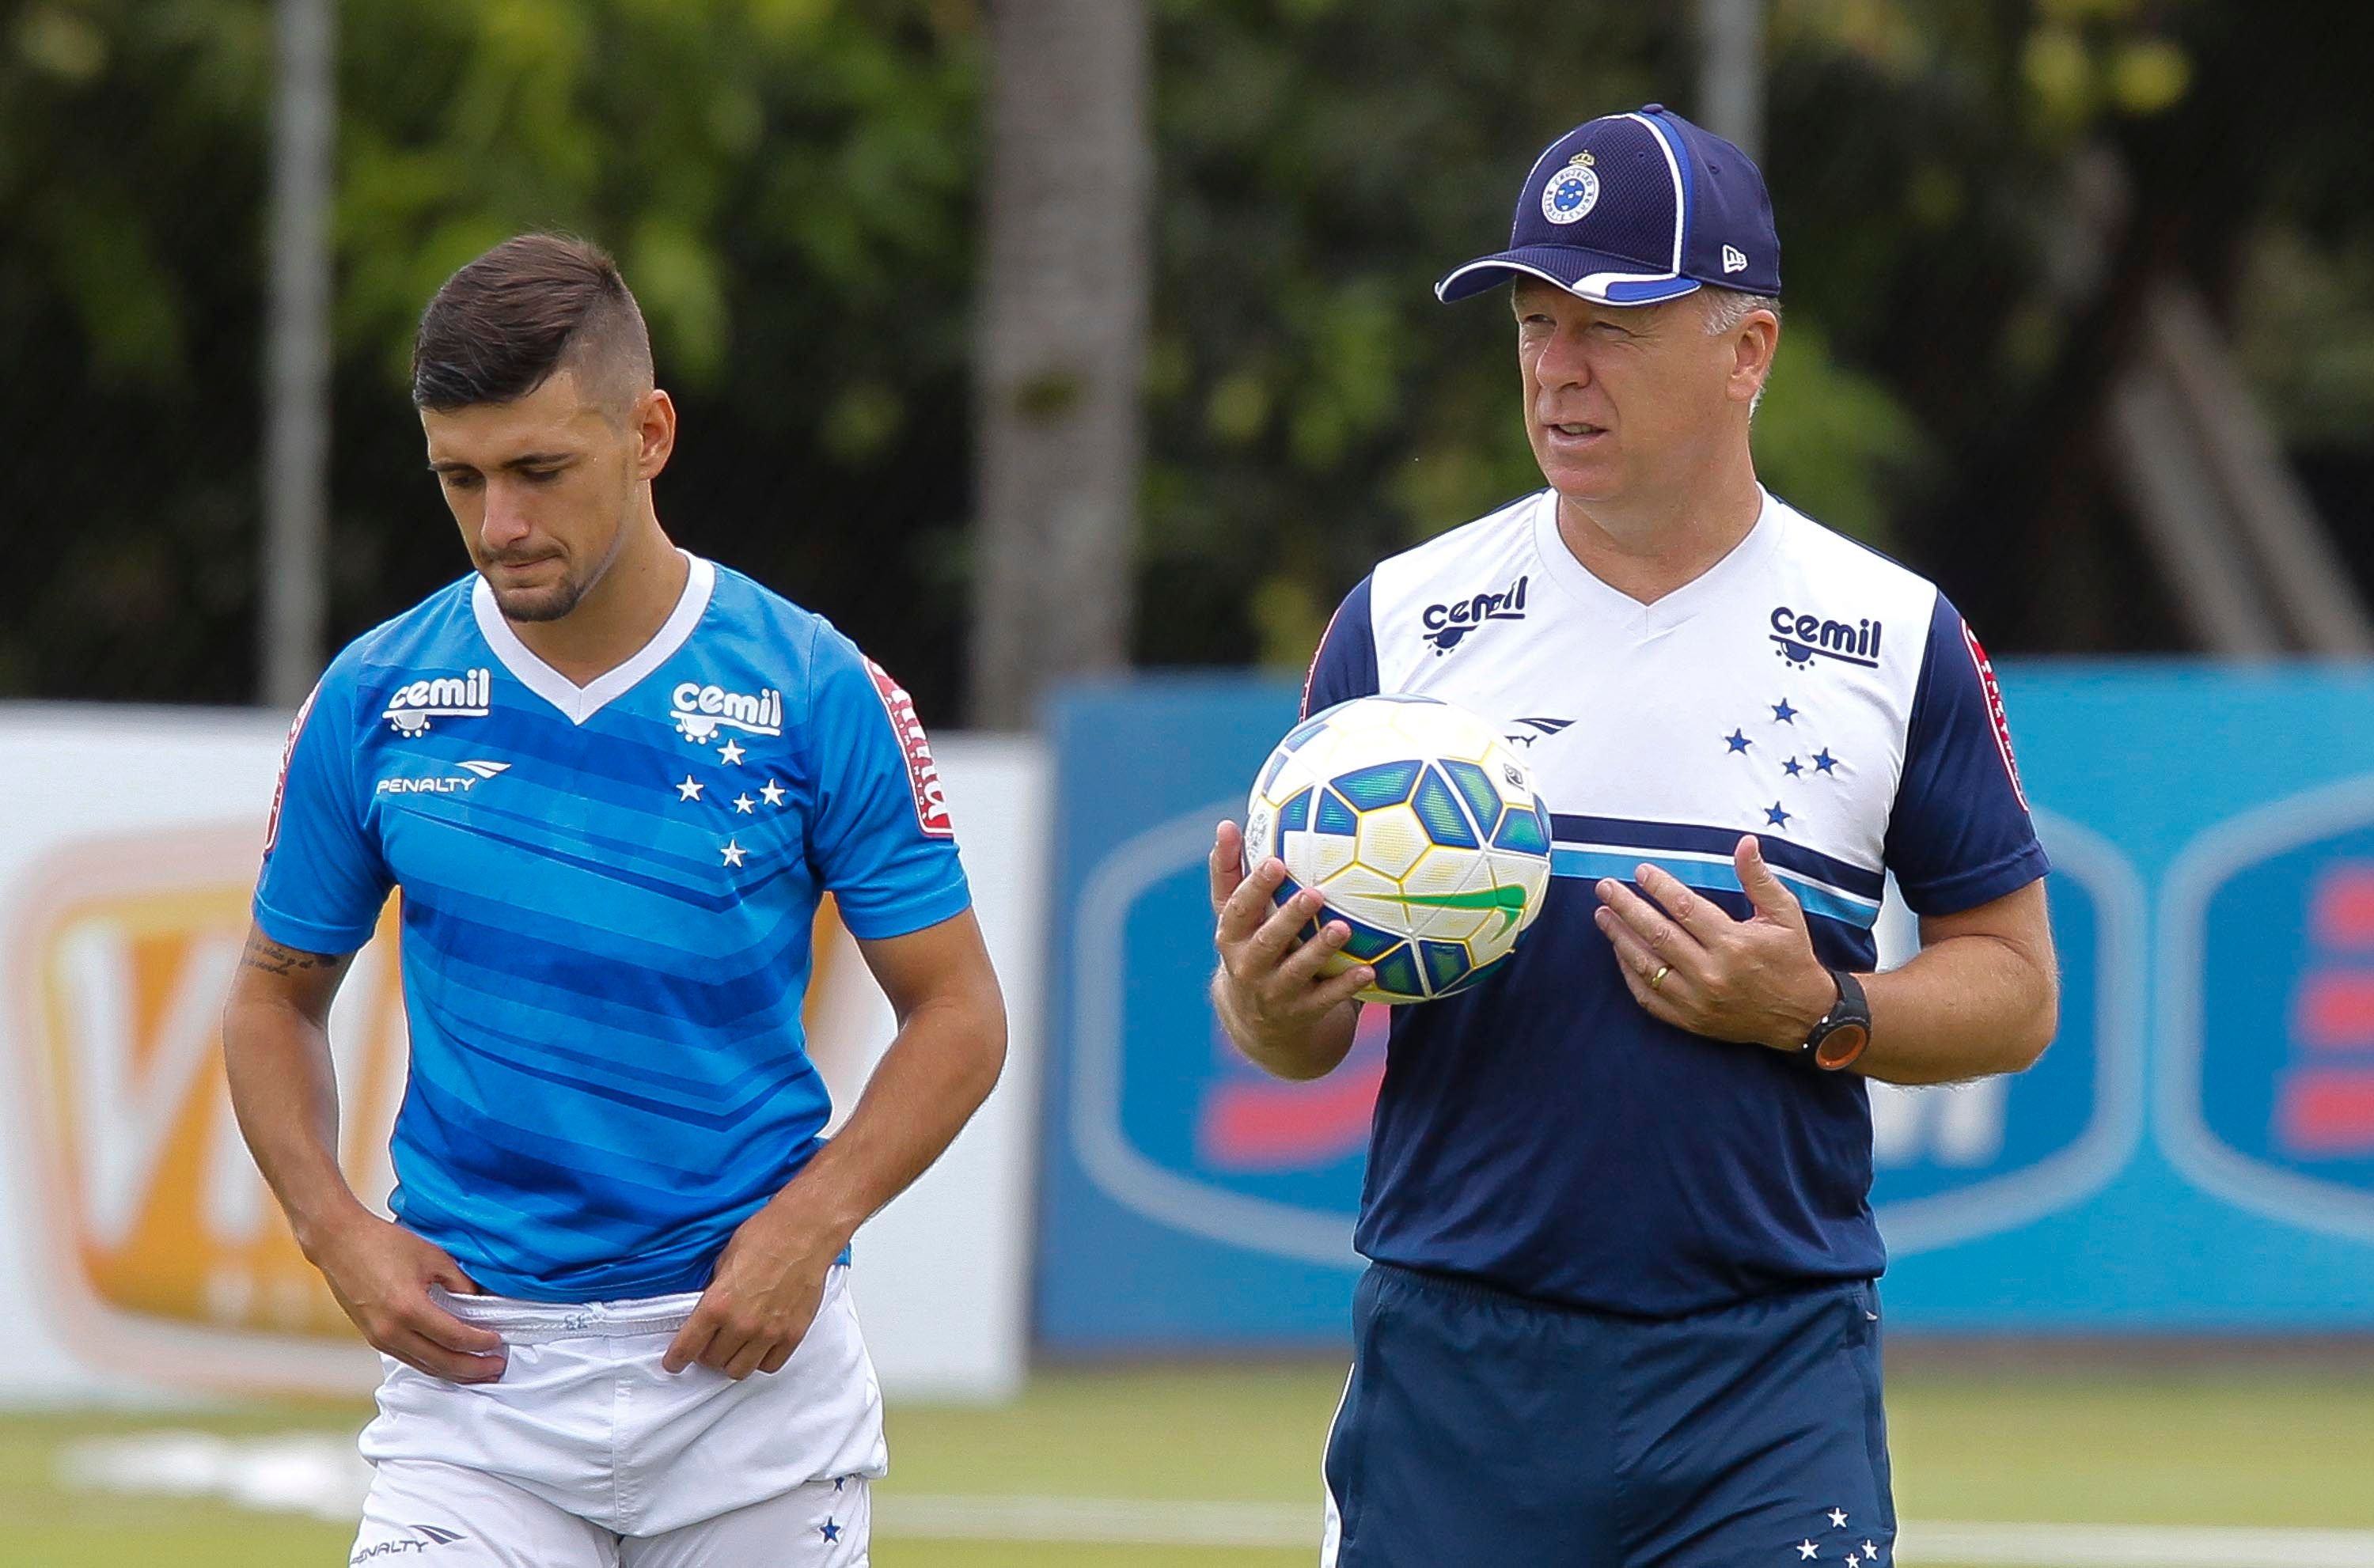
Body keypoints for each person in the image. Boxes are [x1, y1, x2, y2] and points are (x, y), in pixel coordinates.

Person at [1207, 107, 2058, 1567]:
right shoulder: (1403, 621)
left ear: (1750, 351)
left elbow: (2018, 987)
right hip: (1456, 1368)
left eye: (1612, 320)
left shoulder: (1892, 637)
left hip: (1766, 1376)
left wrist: (1824, 1011)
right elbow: (1286, 1040)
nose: (1556, 365)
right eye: (1535, 320)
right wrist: (1266, 1004)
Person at [222, 233, 1006, 1566]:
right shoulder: (375, 698)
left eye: (540, 470)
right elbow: (272, 997)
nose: (500, 526)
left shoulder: (817, 691)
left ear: (650, 433)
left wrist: (810, 1223)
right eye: (460, 479)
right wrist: (333, 1229)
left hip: (748, 1379)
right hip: (476, 1386)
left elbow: (959, 1012)